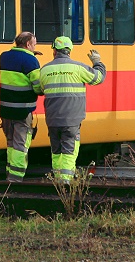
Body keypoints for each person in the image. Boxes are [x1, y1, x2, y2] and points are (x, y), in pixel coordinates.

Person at [33, 36, 105, 181]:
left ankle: (57, 179)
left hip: (52, 119)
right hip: (72, 119)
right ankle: (65, 182)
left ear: (54, 51)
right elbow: (99, 78)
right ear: (69, 50)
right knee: (69, 150)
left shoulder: (45, 69)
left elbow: (39, 89)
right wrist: (97, 62)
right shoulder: (78, 68)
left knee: (56, 150)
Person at [0, 31, 41, 182]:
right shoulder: (31, 60)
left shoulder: (4, 56)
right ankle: (15, 179)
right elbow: (38, 87)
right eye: (34, 44)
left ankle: (9, 174)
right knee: (20, 145)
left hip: (5, 109)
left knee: (10, 143)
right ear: (28, 44)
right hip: (22, 110)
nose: (35, 47)